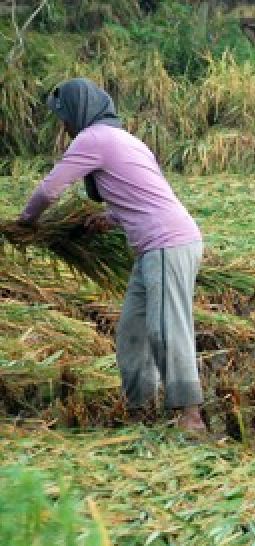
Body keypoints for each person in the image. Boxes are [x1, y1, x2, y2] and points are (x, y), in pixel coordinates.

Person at [15, 78, 206, 433]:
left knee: (166, 328)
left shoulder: (94, 138)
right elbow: (142, 192)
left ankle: (190, 417)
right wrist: (111, 217)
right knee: (132, 332)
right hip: (157, 246)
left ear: (78, 111)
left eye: (64, 119)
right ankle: (140, 411)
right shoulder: (126, 140)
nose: (65, 127)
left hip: (166, 243)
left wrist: (25, 223)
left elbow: (51, 189)